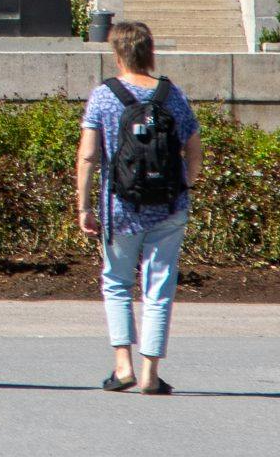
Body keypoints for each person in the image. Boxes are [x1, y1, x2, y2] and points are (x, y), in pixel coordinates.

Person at [77, 21, 203, 395]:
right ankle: (150, 372)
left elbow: (87, 156)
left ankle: (122, 367)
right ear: (150, 52)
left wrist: (84, 206)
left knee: (117, 283)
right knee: (159, 288)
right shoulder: (171, 95)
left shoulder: (104, 95)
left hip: (120, 205)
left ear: (117, 54)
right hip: (168, 205)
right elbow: (194, 150)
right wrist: (188, 185)